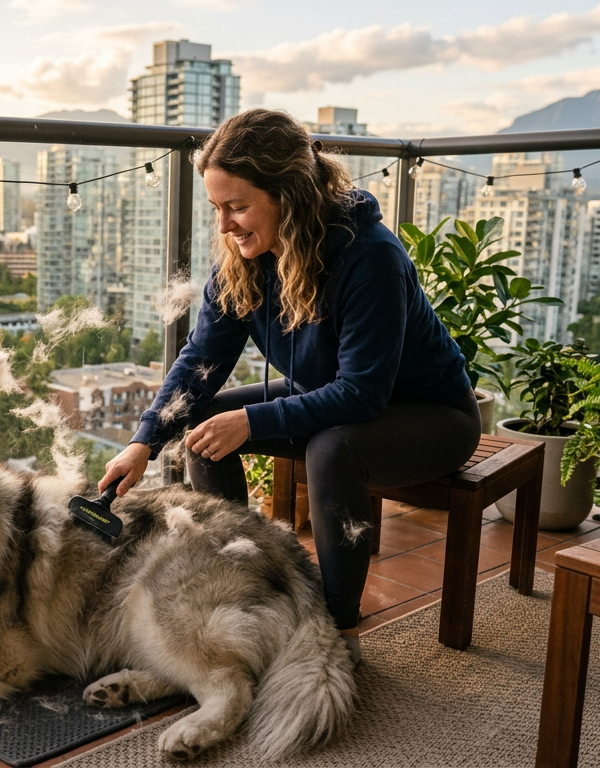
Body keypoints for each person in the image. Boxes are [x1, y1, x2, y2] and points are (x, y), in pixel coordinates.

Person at [98, 109, 481, 663]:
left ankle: (336, 632)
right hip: (335, 401)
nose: (225, 225)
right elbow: (201, 360)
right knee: (208, 432)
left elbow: (363, 394)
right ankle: (240, 591)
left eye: (238, 207)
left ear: (290, 195)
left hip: (429, 418)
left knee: (332, 447)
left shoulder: (370, 256)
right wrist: (143, 441)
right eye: (217, 209)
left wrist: (252, 420)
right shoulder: (245, 259)